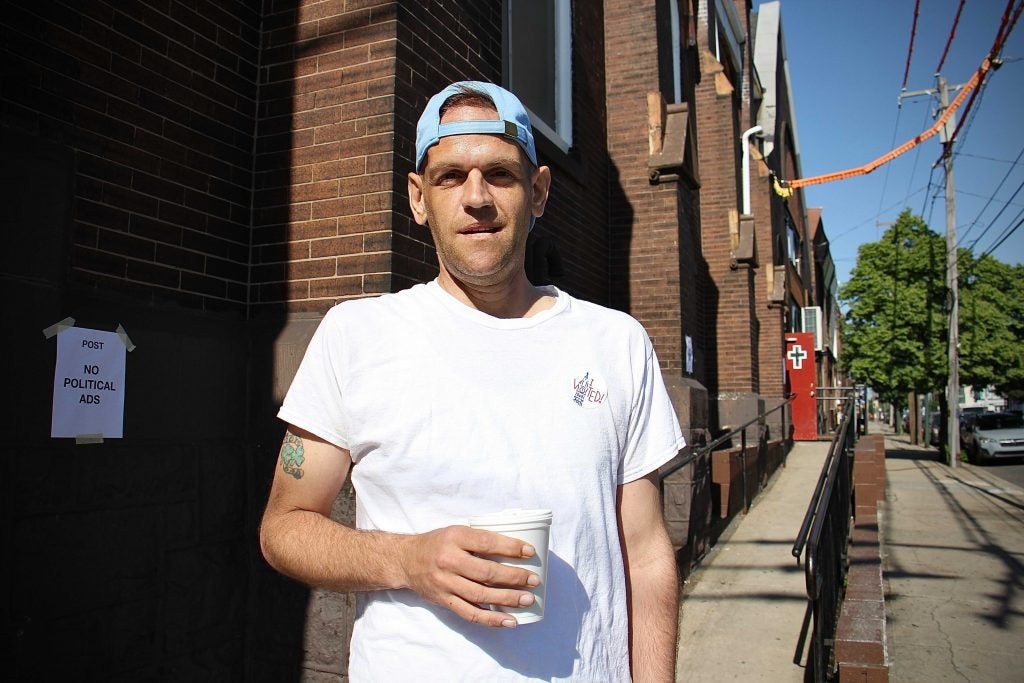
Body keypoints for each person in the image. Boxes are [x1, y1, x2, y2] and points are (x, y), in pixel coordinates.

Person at [259, 81, 685, 682]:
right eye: (450, 176)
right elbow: (284, 527)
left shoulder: (615, 343)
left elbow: (645, 555)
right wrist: (408, 560)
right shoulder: (356, 337)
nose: (477, 198)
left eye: (500, 176)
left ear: (538, 192)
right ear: (417, 196)